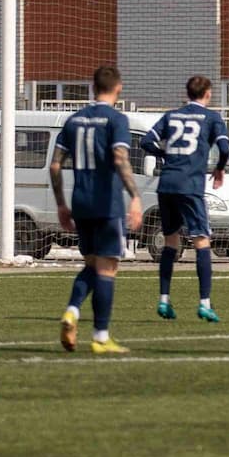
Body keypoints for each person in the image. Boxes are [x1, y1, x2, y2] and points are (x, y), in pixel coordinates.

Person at [51, 65, 143, 356]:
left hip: (81, 202)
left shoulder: (74, 120)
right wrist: (135, 196)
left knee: (91, 265)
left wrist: (61, 204)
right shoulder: (117, 119)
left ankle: (72, 311)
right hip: (107, 203)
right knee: (107, 268)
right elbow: (120, 157)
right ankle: (101, 337)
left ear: (93, 88)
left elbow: (55, 165)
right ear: (119, 88)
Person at [142, 74, 229, 324]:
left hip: (167, 184)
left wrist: (164, 155)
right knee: (201, 240)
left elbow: (146, 141)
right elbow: (224, 149)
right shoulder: (212, 117)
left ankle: (164, 299)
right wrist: (220, 168)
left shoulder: (171, 116)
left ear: (187, 93)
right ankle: (204, 304)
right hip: (190, 185)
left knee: (171, 241)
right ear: (208, 94)